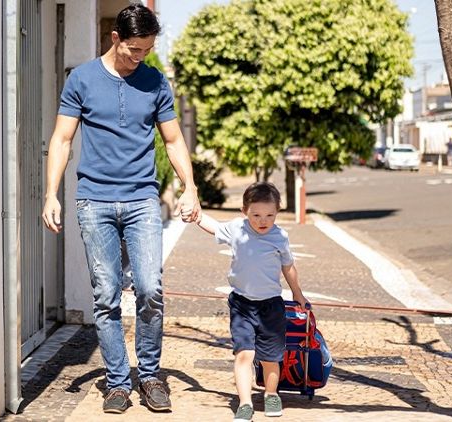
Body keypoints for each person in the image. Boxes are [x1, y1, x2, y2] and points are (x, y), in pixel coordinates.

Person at [40, 4, 200, 415]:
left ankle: (148, 377)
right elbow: (61, 139)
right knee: (106, 296)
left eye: (146, 50)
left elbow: (173, 141)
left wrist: (191, 188)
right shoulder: (83, 79)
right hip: (94, 200)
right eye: (133, 49)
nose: (139, 57)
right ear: (115, 38)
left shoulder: (155, 82)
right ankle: (116, 383)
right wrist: (51, 193)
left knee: (150, 289)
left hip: (142, 199)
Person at [194, 182, 308, 422]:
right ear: (244, 211)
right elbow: (213, 227)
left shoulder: (280, 237)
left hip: (271, 306)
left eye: (270, 215)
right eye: (256, 214)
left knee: (271, 357)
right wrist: (195, 214)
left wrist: (297, 294)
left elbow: (288, 268)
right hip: (241, 304)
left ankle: (270, 394)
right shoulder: (237, 228)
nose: (263, 220)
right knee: (244, 354)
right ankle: (245, 403)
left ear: (277, 212)